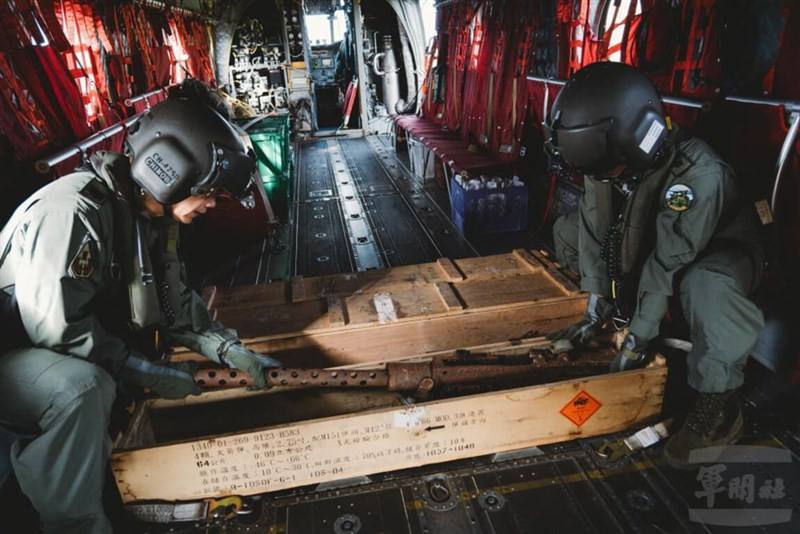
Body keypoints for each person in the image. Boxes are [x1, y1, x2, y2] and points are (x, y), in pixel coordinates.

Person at [0, 84, 282, 533]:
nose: (211, 204)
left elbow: (172, 305)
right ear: (168, 170)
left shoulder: (144, 219)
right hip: (13, 352)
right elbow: (57, 331)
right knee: (82, 389)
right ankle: (74, 523)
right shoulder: (73, 210)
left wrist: (229, 351)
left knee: (114, 371)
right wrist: (140, 372)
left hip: (47, 349)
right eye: (209, 192)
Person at [544, 62, 764, 469]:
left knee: (706, 285)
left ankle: (720, 406)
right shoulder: (613, 158)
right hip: (658, 243)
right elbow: (594, 227)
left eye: (608, 171)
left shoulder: (698, 174)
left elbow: (668, 262)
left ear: (639, 141)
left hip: (719, 254)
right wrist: (596, 307)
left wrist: (639, 337)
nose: (604, 177)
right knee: (566, 230)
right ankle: (619, 312)